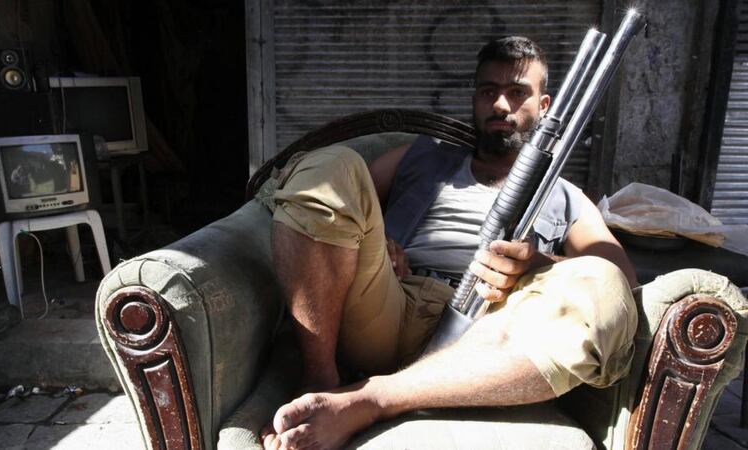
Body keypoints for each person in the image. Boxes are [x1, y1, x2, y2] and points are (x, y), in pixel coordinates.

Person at [260, 36, 639, 450]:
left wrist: (537, 263)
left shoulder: (565, 194)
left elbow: (620, 278)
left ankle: (374, 399)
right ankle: (321, 381)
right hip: (393, 304)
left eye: (516, 93)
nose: (500, 105)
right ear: (474, 100)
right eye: (488, 92)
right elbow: (339, 201)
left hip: (493, 334)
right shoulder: (422, 156)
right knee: (328, 166)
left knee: (601, 284)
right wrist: (380, 241)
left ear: (544, 107)